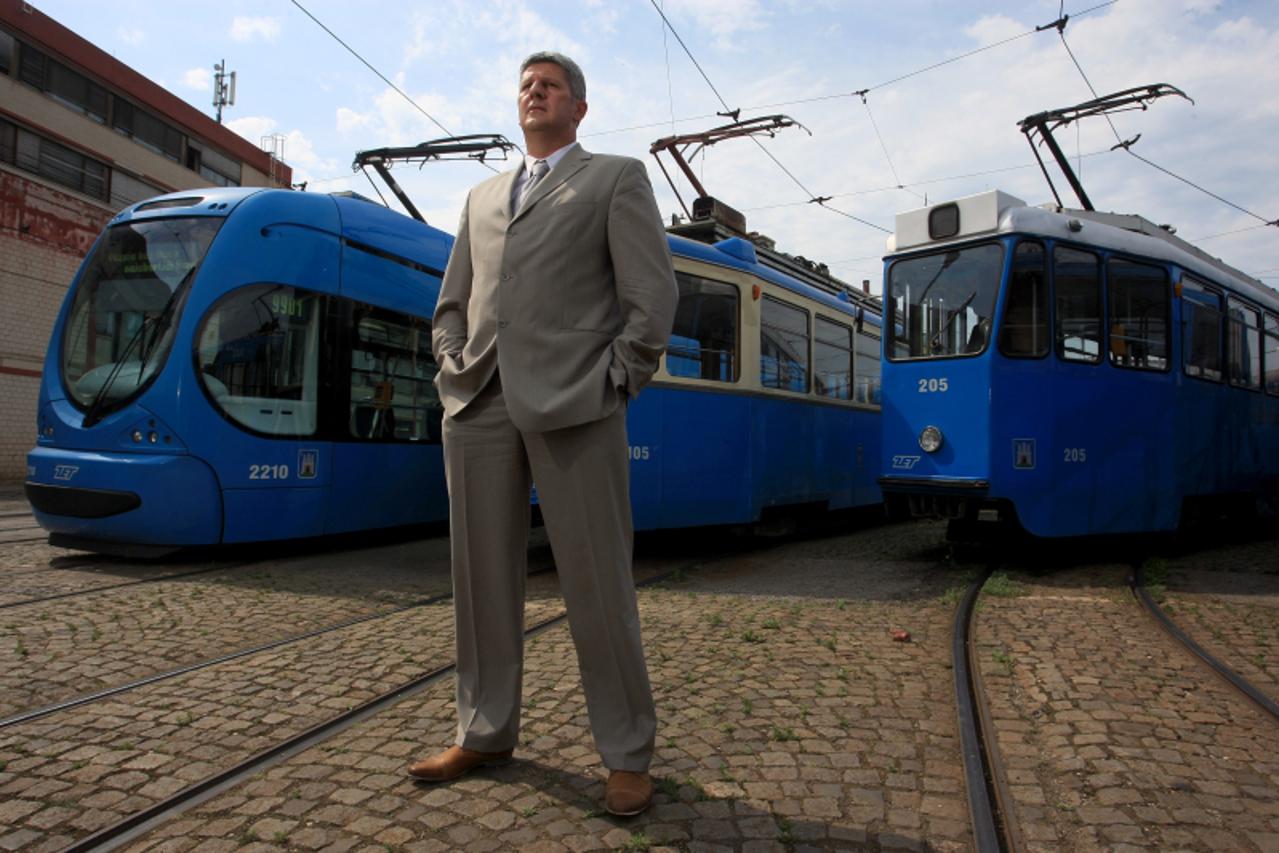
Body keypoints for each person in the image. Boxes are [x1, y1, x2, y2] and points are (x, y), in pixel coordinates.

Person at [408, 51, 678, 818]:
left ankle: (627, 754)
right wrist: (448, 360)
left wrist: (618, 377)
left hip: (576, 403)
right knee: (480, 583)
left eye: (550, 84)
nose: (535, 92)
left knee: (597, 584)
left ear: (579, 108)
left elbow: (651, 294)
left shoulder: (613, 178)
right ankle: (484, 730)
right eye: (526, 84)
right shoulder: (482, 195)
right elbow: (452, 298)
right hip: (477, 405)